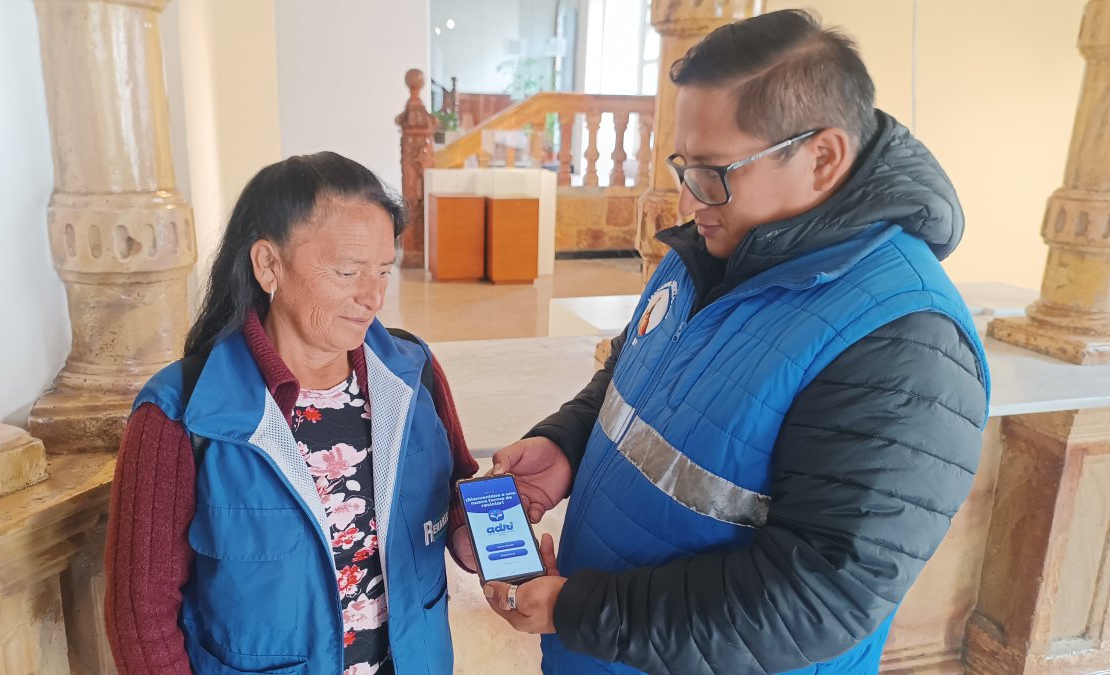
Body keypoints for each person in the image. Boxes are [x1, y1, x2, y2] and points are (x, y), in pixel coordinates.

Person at [483, 10, 990, 675]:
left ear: (823, 157)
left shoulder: (904, 344)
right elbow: (634, 375)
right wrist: (566, 442)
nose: (689, 201)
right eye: (685, 167)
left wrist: (582, 610)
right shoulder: (711, 250)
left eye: (714, 171)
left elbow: (818, 599)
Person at [104, 152, 478, 675]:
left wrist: (475, 536)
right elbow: (142, 615)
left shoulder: (413, 373)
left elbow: (453, 491)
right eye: (347, 272)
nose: (372, 297)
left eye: (383, 271)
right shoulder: (180, 414)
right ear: (268, 265)